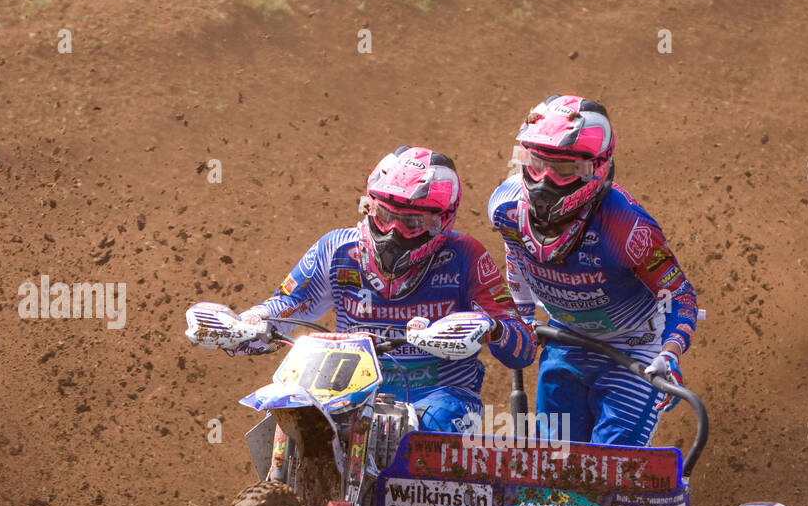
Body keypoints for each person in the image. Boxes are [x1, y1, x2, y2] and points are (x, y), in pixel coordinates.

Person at [215, 145, 535, 433]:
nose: (394, 231)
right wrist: (251, 322)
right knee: (287, 411)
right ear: (369, 206)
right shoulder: (338, 250)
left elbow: (521, 347)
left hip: (440, 398)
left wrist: (490, 328)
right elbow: (288, 303)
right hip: (345, 391)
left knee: (436, 422)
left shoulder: (465, 256)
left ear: (442, 220)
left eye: (411, 223)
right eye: (384, 215)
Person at [488, 95, 698, 446]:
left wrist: (670, 354)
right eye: (537, 163)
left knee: (609, 465)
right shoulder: (505, 208)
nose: (545, 180)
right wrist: (522, 317)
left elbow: (679, 294)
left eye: (565, 169)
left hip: (634, 350)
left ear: (596, 167)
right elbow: (516, 257)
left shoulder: (627, 227)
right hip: (565, 343)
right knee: (553, 464)